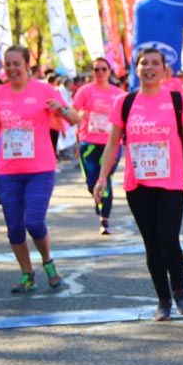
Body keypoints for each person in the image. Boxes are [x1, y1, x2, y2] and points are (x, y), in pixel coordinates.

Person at [94, 47, 183, 321]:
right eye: (144, 63)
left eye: (156, 63)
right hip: (138, 184)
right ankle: (163, 299)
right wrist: (102, 177)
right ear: (137, 68)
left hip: (171, 182)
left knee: (169, 239)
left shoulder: (178, 100)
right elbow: (112, 144)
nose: (149, 67)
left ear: (165, 70)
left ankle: (179, 289)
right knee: (152, 244)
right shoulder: (125, 102)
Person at [0, 45, 79, 292]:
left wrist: (61, 109)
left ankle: (48, 261)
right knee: (14, 227)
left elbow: (75, 118)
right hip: (8, 171)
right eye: (8, 64)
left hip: (40, 168)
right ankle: (27, 273)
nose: (12, 68)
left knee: (35, 222)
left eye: (17, 63)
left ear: (27, 65)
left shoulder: (44, 90)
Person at [72, 58, 125, 235]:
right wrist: (80, 115)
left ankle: (105, 218)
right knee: (91, 182)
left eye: (103, 69)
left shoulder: (119, 94)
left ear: (109, 71)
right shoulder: (84, 91)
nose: (100, 72)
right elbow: (73, 113)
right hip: (89, 143)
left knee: (106, 179)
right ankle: (96, 198)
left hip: (111, 144)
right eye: (96, 69)